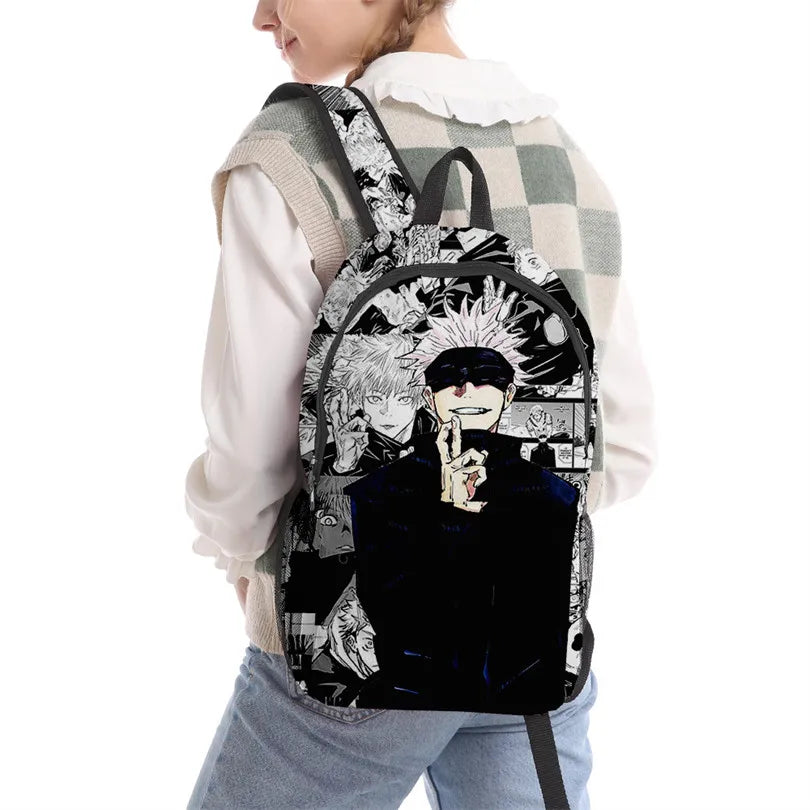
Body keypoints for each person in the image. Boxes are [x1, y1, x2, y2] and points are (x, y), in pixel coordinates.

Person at [184, 1, 658, 807]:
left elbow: (248, 456)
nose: (260, 15)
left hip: (362, 644)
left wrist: (241, 559)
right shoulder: (569, 165)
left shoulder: (291, 157)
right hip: (534, 651)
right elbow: (629, 450)